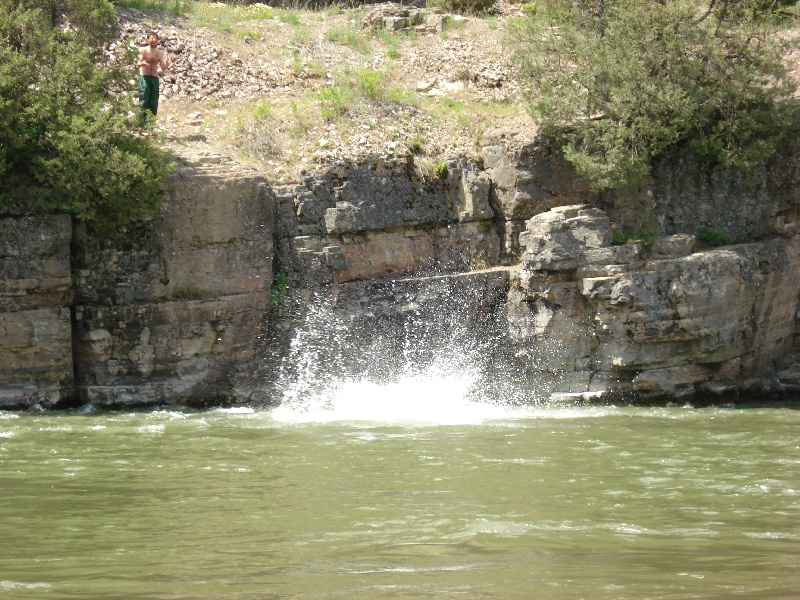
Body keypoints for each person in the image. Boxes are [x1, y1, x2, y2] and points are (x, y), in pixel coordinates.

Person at [136, 32, 173, 128]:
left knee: (153, 102)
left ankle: (151, 125)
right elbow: (138, 63)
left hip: (154, 78)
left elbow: (163, 68)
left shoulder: (159, 53)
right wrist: (142, 63)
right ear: (148, 40)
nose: (154, 40)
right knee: (144, 101)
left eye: (155, 38)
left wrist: (168, 63)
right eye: (152, 38)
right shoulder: (143, 50)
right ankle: (141, 124)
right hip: (144, 77)